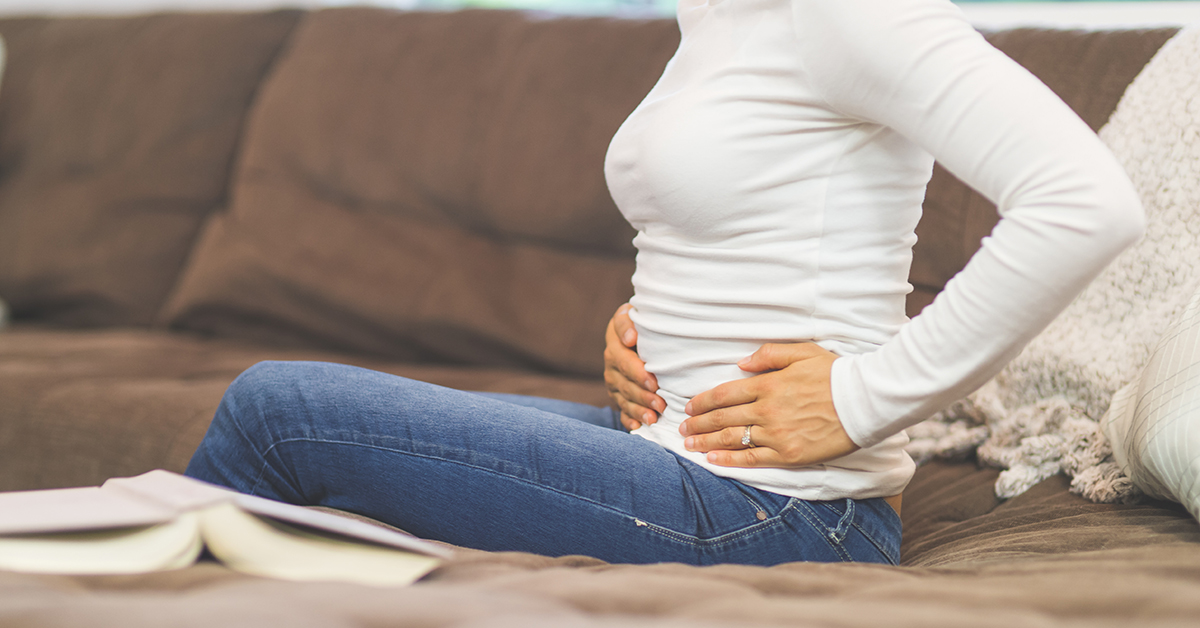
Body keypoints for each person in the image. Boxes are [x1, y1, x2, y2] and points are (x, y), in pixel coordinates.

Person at [185, 0, 1144, 567]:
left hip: (781, 508)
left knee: (279, 413)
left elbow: (1084, 202)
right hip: (664, 440)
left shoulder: (850, 10)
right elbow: (742, 215)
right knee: (320, 479)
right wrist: (649, 321)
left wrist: (860, 397)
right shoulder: (715, 19)